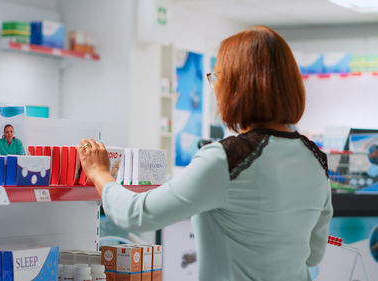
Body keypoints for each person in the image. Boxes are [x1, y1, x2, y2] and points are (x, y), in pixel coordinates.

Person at [77, 26, 332, 281]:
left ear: (236, 87)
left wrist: (99, 173)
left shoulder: (227, 159)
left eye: (218, 78)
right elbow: (313, 255)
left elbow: (136, 215)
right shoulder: (316, 160)